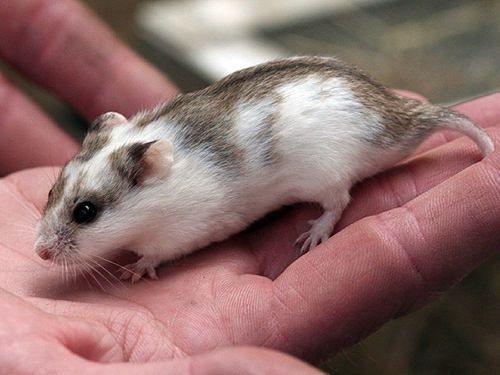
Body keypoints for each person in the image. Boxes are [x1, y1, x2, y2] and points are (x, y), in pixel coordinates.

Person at [0, 0, 499, 373]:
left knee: (319, 168)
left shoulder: (175, 183)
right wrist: (147, 254)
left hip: (339, 126)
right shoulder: (137, 154)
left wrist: (154, 253)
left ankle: (333, 204)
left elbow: (213, 221)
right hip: (317, 102)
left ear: (148, 170)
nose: (49, 247)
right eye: (58, 206)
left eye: (84, 214)